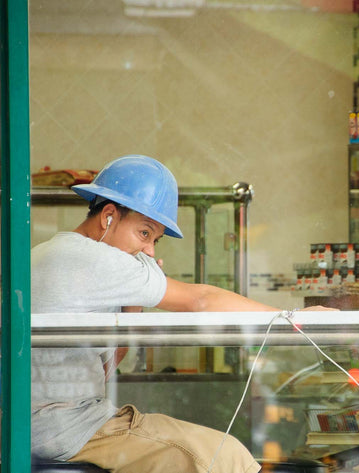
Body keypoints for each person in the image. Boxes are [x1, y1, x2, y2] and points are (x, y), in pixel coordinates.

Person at [31, 155, 333, 473]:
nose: (149, 251)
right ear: (108, 216)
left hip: (50, 428)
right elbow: (200, 300)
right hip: (69, 432)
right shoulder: (94, 259)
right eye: (144, 233)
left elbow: (105, 370)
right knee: (224, 456)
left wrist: (133, 301)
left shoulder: (47, 252)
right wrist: (292, 317)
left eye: (155, 240)